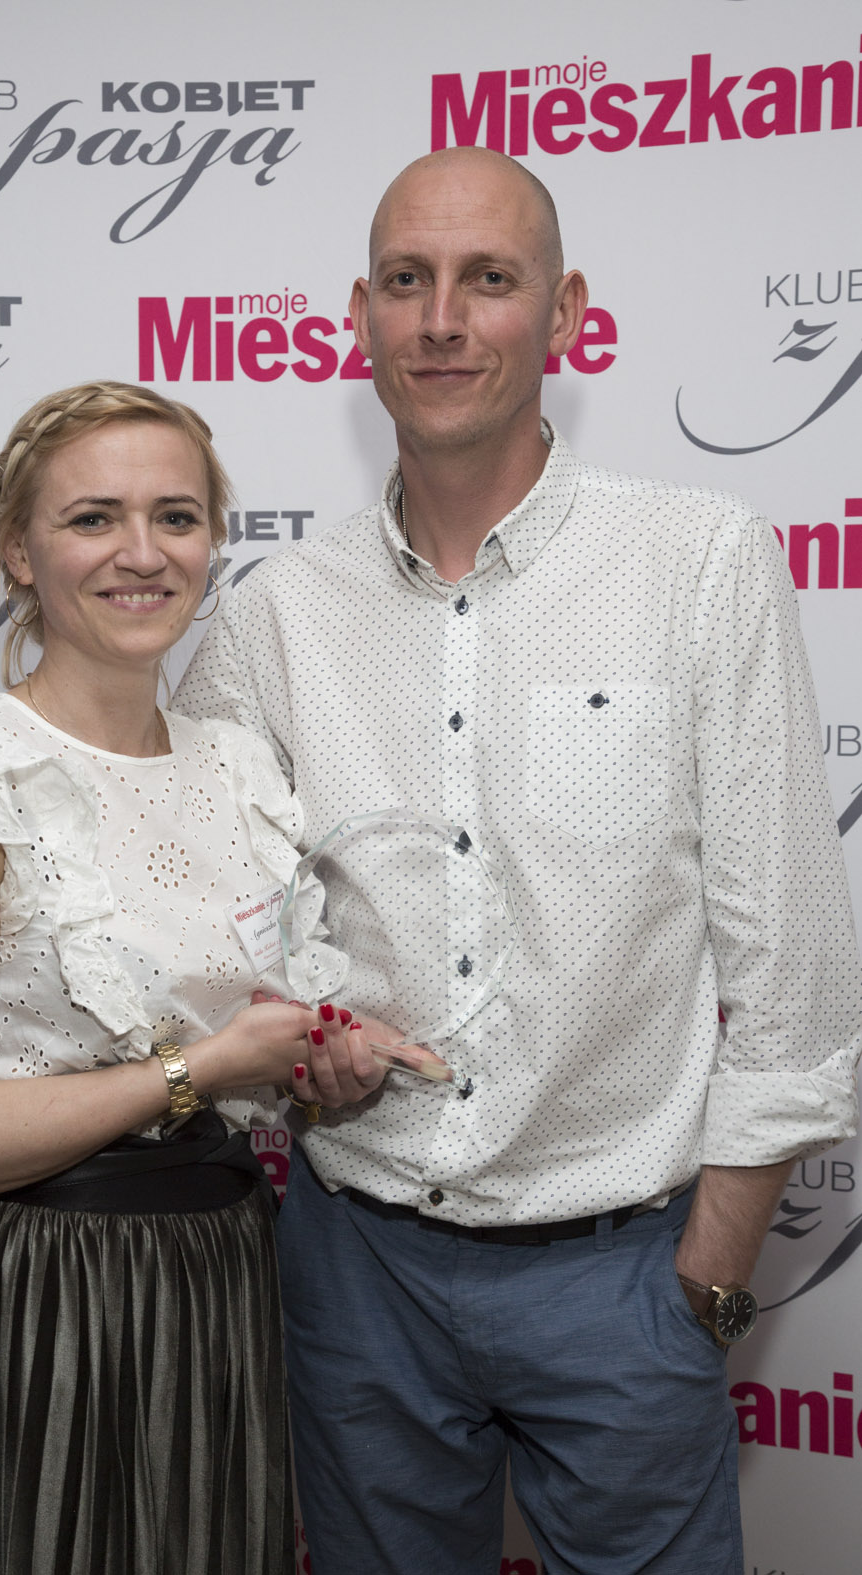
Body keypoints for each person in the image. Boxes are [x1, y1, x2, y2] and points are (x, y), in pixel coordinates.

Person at [175, 149, 862, 1574]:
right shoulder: (273, 614)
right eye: (407, 280)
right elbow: (218, 920)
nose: (442, 320)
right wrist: (299, 1043)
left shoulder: (700, 561)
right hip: (352, 1268)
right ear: (358, 313)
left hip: (626, 1270)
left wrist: (711, 1275)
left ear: (564, 313)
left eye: (488, 279)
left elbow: (790, 956)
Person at [0, 380, 424, 1575]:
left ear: (213, 543)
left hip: (222, 1277)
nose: (142, 554)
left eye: (176, 517)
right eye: (93, 518)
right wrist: (208, 1066)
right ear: (18, 551)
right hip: (45, 1296)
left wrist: (319, 1068)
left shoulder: (239, 766)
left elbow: (252, 1050)